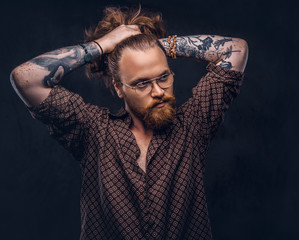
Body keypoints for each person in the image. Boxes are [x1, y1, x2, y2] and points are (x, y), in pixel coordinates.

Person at [10, 6, 248, 240]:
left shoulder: (194, 125)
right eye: (142, 83)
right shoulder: (93, 130)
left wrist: (154, 46)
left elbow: (236, 50)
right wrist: (102, 45)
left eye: (163, 77)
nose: (158, 91)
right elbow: (25, 77)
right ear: (118, 88)